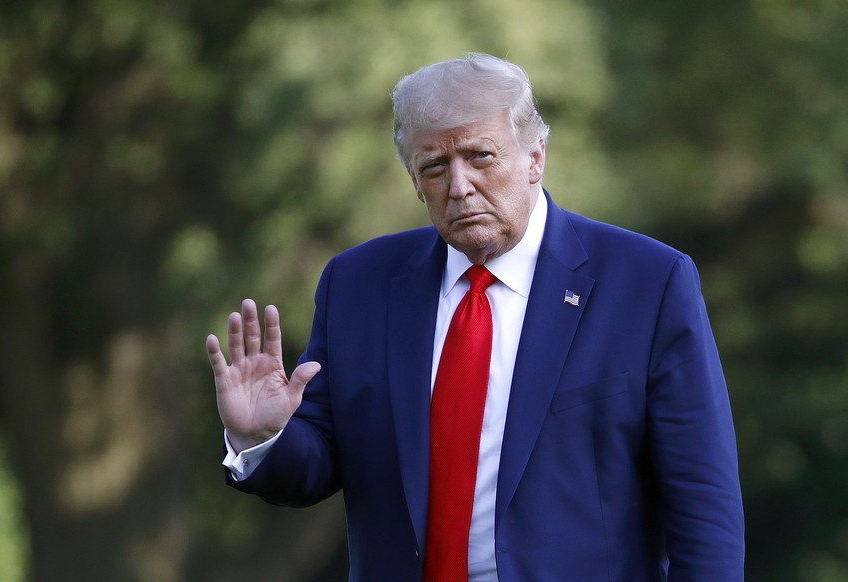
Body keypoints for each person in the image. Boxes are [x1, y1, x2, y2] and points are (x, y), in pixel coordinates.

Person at [206, 53, 745, 581]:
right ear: (417, 184)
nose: (459, 186)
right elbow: (315, 466)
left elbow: (703, 498)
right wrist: (261, 438)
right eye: (435, 167)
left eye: (480, 156)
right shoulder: (359, 285)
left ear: (535, 157)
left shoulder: (646, 282)